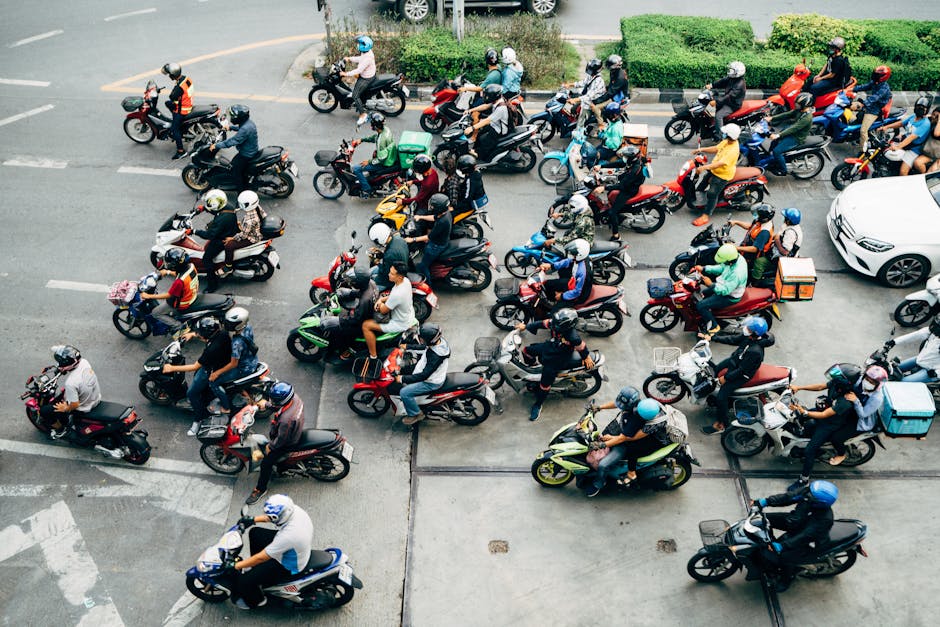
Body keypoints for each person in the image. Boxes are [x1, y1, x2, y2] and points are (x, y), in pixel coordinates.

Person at [751, 480, 838, 591]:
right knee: (763, 520)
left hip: (808, 538)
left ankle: (786, 579)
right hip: (796, 521)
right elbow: (789, 497)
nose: (806, 493)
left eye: (809, 494)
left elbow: (805, 536)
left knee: (785, 557)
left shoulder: (824, 520)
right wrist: (765, 501)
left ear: (819, 502)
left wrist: (783, 545)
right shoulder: (809, 494)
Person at [788, 363, 863, 488]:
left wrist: (805, 412)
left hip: (829, 424)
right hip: (823, 411)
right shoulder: (836, 384)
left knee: (809, 451)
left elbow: (824, 415)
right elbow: (820, 386)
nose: (833, 378)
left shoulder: (845, 401)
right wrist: (799, 388)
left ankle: (804, 480)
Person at [233, 494, 314, 610]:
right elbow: (273, 517)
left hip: (288, 564)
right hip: (295, 547)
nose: (268, 517)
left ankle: (258, 600)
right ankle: (258, 573)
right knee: (255, 533)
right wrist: (252, 520)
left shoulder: (288, 536)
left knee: (244, 581)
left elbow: (261, 557)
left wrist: (236, 565)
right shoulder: (293, 510)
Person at [517, 308, 594, 422]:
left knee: (545, 384)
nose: (553, 327)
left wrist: (586, 357)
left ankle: (538, 404)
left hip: (558, 358)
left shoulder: (573, 336)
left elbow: (581, 346)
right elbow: (542, 323)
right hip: (550, 346)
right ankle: (534, 368)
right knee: (526, 351)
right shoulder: (555, 323)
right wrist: (526, 327)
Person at [162, 316, 232, 436]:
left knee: (191, 393)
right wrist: (193, 334)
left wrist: (172, 368)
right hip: (222, 362)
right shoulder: (222, 333)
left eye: (200, 333)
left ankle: (199, 418)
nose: (198, 335)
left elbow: (195, 367)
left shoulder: (211, 350)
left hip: (212, 369)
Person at [701, 315, 772, 435]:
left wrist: (726, 378)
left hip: (742, 374)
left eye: (749, 328)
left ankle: (721, 424)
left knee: (721, 397)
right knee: (715, 369)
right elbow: (732, 339)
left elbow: (742, 370)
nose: (745, 329)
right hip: (735, 360)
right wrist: (712, 338)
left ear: (754, 333)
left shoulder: (755, 351)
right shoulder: (749, 338)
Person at [588, 391, 668, 496]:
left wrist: (603, 444)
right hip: (621, 434)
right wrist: (599, 407)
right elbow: (618, 404)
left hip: (630, 442)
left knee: (603, 465)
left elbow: (625, 439)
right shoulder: (643, 405)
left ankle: (599, 483)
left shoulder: (640, 420)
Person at [245, 382, 305, 505]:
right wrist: (267, 404)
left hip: (289, 441)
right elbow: (281, 407)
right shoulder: (294, 398)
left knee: (266, 464)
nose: (271, 400)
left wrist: (270, 447)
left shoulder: (286, 420)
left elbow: (282, 440)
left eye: (273, 400)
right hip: (297, 427)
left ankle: (260, 489)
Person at [39, 345, 101, 437]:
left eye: (60, 363)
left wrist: (65, 408)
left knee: (44, 411)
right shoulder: (84, 362)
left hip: (83, 407)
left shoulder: (71, 383)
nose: (59, 365)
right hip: (95, 398)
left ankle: (61, 430)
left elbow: (74, 405)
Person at [207, 307, 260, 413]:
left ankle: (226, 407)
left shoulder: (237, 343)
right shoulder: (248, 327)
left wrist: (216, 373)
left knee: (213, 382)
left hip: (243, 368)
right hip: (252, 360)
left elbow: (233, 364)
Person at [361, 262, 416, 363]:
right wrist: (382, 299)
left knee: (366, 325)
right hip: (408, 314)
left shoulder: (398, 294)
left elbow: (383, 310)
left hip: (399, 323)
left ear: (399, 277)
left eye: (392, 273)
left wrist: (379, 302)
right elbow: (391, 296)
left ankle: (373, 356)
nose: (388, 274)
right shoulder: (406, 281)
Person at [397, 324, 450, 426]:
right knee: (405, 370)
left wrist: (402, 379)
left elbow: (424, 376)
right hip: (429, 371)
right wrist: (407, 347)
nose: (419, 339)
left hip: (431, 382)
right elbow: (424, 347)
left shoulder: (435, 356)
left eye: (421, 338)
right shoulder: (439, 342)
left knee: (404, 392)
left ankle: (416, 414)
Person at [691, 123, 741, 227]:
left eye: (725, 133)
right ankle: (699, 201)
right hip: (714, 170)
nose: (722, 134)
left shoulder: (733, 150)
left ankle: (706, 215)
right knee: (701, 185)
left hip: (721, 175)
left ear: (729, 136)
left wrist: (704, 167)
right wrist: (701, 149)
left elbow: (720, 164)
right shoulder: (727, 142)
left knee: (712, 194)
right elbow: (716, 148)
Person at [591, 145, 645, 241]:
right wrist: (601, 166)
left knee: (612, 212)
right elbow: (619, 163)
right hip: (627, 182)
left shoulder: (635, 170)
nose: (624, 158)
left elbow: (622, 186)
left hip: (629, 190)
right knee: (610, 191)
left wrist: (603, 187)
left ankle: (616, 235)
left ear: (631, 158)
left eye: (626, 157)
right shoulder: (632, 162)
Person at [692, 243, 748, 335]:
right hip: (723, 284)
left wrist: (711, 285)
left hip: (730, 295)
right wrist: (704, 268)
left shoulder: (737, 273)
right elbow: (721, 267)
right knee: (704, 293)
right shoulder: (735, 258)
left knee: (700, 306)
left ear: (729, 261)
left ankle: (714, 327)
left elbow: (725, 290)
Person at [141, 247, 200, 332]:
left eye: (170, 263)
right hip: (191, 295)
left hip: (182, 304)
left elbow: (169, 295)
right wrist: (168, 272)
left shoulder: (179, 282)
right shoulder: (191, 266)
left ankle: (178, 326)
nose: (168, 265)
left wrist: (149, 296)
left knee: (155, 313)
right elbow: (182, 273)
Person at [195, 189, 239, 292]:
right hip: (230, 230)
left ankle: (212, 285)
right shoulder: (228, 206)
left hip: (222, 239)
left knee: (206, 258)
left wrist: (194, 231)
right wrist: (205, 208)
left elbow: (209, 235)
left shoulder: (221, 219)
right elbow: (216, 209)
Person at [765, 92, 815, 176]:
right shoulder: (800, 110)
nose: (796, 105)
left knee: (777, 151)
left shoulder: (807, 117)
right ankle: (772, 159)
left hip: (796, 137)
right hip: (792, 131)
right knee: (774, 142)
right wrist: (772, 118)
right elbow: (787, 114)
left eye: (798, 104)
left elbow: (795, 128)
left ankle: (783, 170)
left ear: (804, 105)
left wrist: (779, 135)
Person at [210, 104, 258, 191]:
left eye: (233, 116)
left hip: (246, 154)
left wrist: (216, 146)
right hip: (251, 150)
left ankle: (241, 192)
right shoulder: (248, 123)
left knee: (235, 171)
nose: (232, 118)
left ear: (239, 118)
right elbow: (241, 128)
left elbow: (231, 142)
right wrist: (230, 128)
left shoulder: (245, 129)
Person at [350, 112, 398, 198]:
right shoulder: (385, 130)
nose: (370, 125)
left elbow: (381, 158)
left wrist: (368, 162)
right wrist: (362, 140)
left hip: (385, 163)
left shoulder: (382, 141)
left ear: (375, 126)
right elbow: (375, 137)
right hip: (391, 156)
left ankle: (367, 189)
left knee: (356, 169)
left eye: (372, 124)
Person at [881, 96, 932, 176]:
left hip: (914, 149)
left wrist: (898, 147)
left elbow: (911, 138)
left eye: (923, 108)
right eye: (918, 106)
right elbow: (901, 123)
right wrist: (886, 127)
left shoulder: (925, 123)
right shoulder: (913, 117)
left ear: (927, 110)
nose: (920, 109)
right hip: (904, 142)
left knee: (903, 171)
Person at [406, 193, 452, 281]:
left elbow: (429, 237)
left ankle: (427, 285)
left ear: (439, 208)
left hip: (436, 246)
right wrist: (421, 217)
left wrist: (412, 239)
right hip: (443, 240)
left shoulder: (442, 222)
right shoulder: (445, 214)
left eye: (433, 206)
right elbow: (434, 217)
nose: (431, 207)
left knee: (422, 266)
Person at [539, 239, 593, 310]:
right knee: (547, 284)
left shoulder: (583, 272)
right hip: (572, 282)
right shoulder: (580, 258)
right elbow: (567, 261)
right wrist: (551, 266)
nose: (571, 255)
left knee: (554, 313)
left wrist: (562, 296)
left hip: (579, 295)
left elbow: (577, 292)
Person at [224, 190, 268, 271]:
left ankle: (228, 266)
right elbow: (264, 215)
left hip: (252, 238)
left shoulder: (249, 221)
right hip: (256, 230)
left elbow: (243, 236)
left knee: (228, 246)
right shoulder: (257, 206)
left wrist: (232, 238)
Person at [465, 85, 511, 164]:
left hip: (498, 130)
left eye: (487, 95)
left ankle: (480, 157)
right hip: (494, 124)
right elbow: (485, 106)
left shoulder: (501, 108)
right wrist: (470, 110)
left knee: (486, 143)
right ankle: (475, 150)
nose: (486, 97)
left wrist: (472, 128)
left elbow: (487, 120)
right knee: (479, 135)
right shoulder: (498, 100)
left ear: (493, 96)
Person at [888, 314, 940, 383]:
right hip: (920, 359)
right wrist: (894, 342)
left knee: (902, 383)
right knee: (890, 369)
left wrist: (936, 373)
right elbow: (914, 335)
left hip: (930, 370)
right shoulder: (931, 332)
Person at [730, 202, 775, 281]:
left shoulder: (765, 232)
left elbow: (755, 249)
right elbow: (750, 226)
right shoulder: (761, 221)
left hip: (751, 257)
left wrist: (737, 248)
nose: (756, 215)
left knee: (739, 271)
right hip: (744, 248)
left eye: (758, 214)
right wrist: (736, 222)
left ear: (764, 217)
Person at [340, 35, 377, 127]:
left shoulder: (367, 58)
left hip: (366, 78)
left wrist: (345, 74)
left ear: (364, 46)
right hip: (369, 74)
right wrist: (349, 59)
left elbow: (358, 70)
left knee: (355, 95)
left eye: (359, 44)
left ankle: (363, 114)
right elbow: (360, 59)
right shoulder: (367, 52)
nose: (358, 45)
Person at [853, 65, 892, 151]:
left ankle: (863, 151)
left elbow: (875, 97)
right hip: (870, 105)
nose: (875, 76)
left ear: (883, 77)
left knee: (863, 131)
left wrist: (863, 104)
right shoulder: (875, 82)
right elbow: (864, 86)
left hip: (875, 110)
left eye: (877, 75)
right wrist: (851, 89)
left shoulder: (884, 88)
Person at [563, 58, 606, 131]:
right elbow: (582, 82)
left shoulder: (598, 81)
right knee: (573, 109)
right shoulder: (591, 76)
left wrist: (574, 99)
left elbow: (589, 96)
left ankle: (578, 134)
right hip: (586, 98)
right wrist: (569, 85)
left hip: (592, 101)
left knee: (581, 120)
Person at [707, 61, 746, 138]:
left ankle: (720, 136)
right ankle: (716, 126)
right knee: (713, 107)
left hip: (733, 104)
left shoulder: (739, 85)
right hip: (728, 101)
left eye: (732, 70)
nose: (730, 71)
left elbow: (729, 96)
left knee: (718, 116)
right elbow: (723, 81)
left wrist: (716, 101)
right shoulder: (732, 78)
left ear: (738, 72)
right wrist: (712, 85)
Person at [162, 62, 192, 160]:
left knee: (175, 130)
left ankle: (181, 151)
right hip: (187, 103)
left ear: (173, 75)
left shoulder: (180, 87)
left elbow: (172, 96)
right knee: (167, 103)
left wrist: (174, 92)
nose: (169, 76)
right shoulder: (185, 79)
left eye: (169, 75)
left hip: (182, 110)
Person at [460, 48, 503, 115]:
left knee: (474, 111)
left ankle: (475, 123)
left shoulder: (492, 76)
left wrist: (466, 88)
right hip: (492, 93)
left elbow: (479, 88)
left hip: (490, 98)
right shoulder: (498, 67)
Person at [368, 222, 409, 292]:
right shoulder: (399, 239)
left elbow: (385, 273)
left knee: (370, 289)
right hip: (399, 267)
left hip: (389, 280)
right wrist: (380, 252)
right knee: (369, 273)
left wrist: (376, 262)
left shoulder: (390, 255)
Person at [591, 54, 629, 128]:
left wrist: (597, 101)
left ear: (615, 65)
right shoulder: (614, 72)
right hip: (614, 92)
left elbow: (611, 93)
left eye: (609, 64)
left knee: (596, 107)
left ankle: (601, 126)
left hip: (617, 97)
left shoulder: (620, 78)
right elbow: (611, 86)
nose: (608, 66)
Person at [913, 106, 940, 174]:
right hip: (928, 151)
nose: (934, 117)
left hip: (936, 154)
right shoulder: (931, 120)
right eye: (933, 114)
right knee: (917, 163)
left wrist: (939, 121)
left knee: (930, 170)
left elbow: (936, 134)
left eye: (936, 116)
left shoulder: (938, 125)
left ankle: (924, 177)